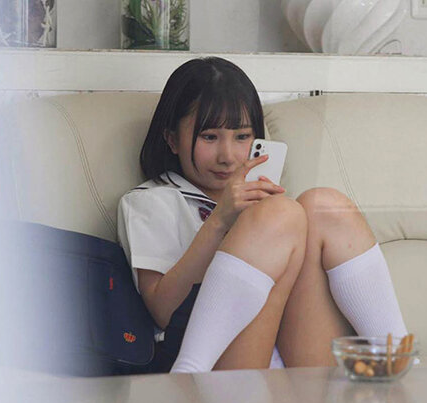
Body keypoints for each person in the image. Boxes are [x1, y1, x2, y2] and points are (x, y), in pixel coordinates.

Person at [117, 57, 408, 374]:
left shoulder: (269, 204)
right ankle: (188, 372)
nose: (228, 156)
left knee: (322, 205)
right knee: (282, 213)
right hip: (217, 365)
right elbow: (162, 311)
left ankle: (398, 357)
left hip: (290, 360)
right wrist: (219, 222)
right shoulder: (152, 201)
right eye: (209, 137)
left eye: (242, 137)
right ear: (172, 139)